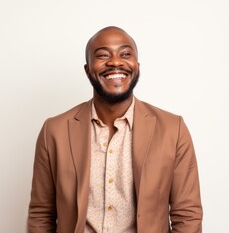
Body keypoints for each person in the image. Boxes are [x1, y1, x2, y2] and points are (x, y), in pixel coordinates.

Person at [28, 26, 203, 233]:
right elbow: (41, 214)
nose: (115, 62)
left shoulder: (173, 130)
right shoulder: (54, 131)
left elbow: (187, 214)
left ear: (136, 65)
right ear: (87, 69)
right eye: (103, 55)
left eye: (125, 54)